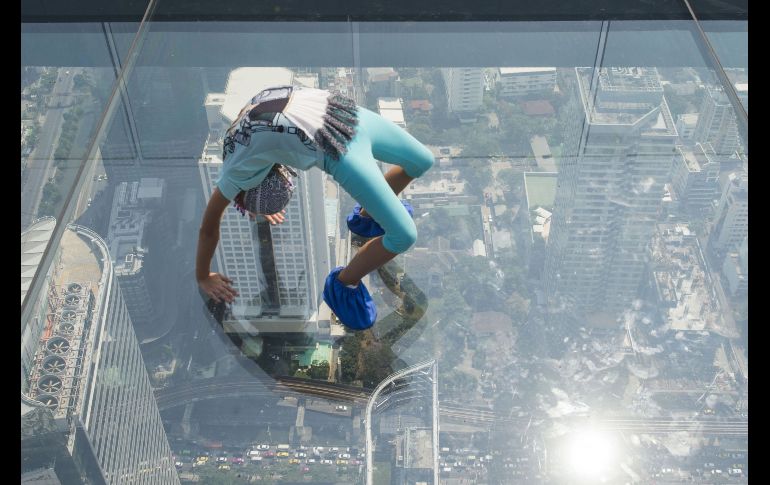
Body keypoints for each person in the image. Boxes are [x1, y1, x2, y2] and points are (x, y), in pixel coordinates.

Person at [196, 84, 434, 330]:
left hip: (341, 139)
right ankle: (345, 282)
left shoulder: (235, 175)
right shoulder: (236, 138)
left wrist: (203, 275)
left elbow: (208, 229)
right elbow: (268, 127)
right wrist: (255, 203)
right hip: (339, 113)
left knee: (421, 164)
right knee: (404, 234)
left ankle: (367, 219)